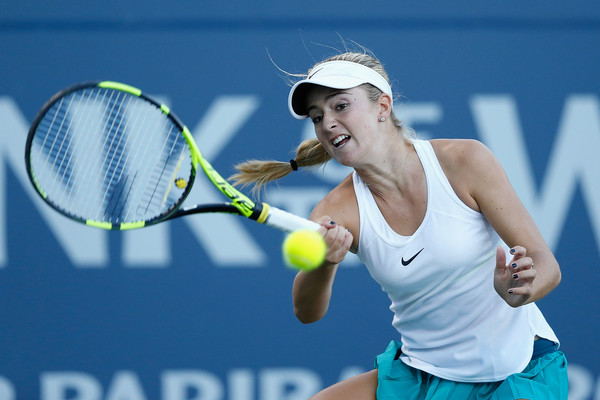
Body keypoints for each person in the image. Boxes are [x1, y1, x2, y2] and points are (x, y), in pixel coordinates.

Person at [231, 48, 568, 399]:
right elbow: (306, 311)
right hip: (423, 375)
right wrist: (326, 264)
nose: (327, 123)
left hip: (519, 372)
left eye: (340, 106)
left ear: (383, 107)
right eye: (317, 116)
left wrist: (521, 289)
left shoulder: (465, 161)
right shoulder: (336, 210)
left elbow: (547, 265)